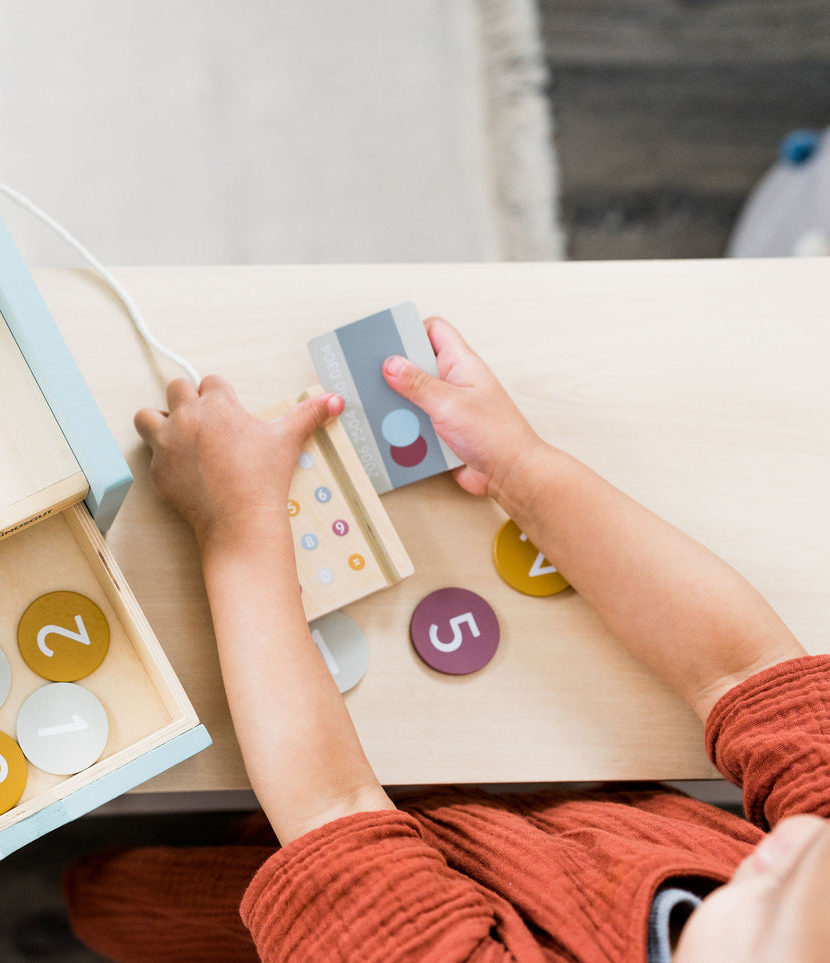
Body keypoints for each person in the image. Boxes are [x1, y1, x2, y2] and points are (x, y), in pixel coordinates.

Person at [63, 317, 829, 962]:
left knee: (122, 904)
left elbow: (332, 807)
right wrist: (520, 465)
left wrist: (232, 522)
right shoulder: (811, 856)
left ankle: (73, 902)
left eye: (771, 900)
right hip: (535, 830)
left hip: (337, 885)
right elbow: (748, 667)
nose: (790, 842)